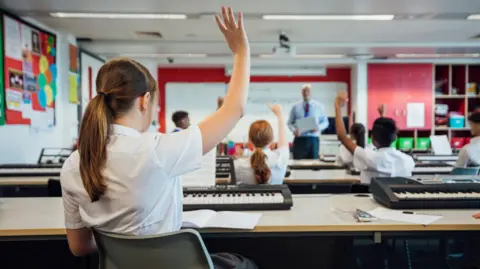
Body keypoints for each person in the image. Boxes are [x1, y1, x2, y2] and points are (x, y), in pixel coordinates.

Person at [60, 7, 256, 268]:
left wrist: (123, 238)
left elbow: (79, 246)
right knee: (244, 262)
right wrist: (241, 51)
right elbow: (234, 109)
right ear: (144, 101)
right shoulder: (158, 150)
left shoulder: (74, 164)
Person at [334, 91, 415, 184]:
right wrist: (382, 115)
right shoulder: (408, 161)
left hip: (370, 197)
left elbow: (342, 137)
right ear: (395, 137)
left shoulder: (369, 157)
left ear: (372, 139)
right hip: (396, 197)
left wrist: (337, 106)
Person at [235, 104, 289, 185]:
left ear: (249, 140)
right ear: (272, 140)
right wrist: (279, 114)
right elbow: (283, 144)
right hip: (276, 198)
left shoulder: (238, 166)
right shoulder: (281, 159)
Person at [287, 84, 329, 159]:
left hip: (313, 140)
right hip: (299, 139)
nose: (306, 93)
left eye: (308, 91)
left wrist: (318, 127)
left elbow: (325, 122)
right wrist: (294, 130)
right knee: (297, 164)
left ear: (311, 92)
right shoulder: (295, 107)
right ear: (301, 92)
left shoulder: (319, 106)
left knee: (313, 165)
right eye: (304, 91)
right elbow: (289, 123)